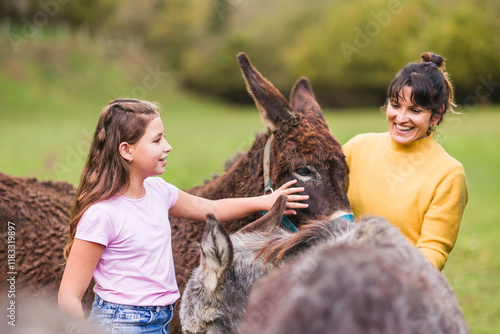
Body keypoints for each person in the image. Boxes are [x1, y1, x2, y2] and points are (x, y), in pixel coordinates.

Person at [58, 98, 308, 333]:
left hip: (162, 320)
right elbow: (69, 296)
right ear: (127, 150)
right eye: (157, 140)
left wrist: (264, 201)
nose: (167, 147)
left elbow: (210, 208)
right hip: (120, 323)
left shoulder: (158, 191)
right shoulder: (102, 215)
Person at [343, 52, 468, 271]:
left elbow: (433, 250)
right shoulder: (356, 148)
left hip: (400, 287)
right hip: (339, 277)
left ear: (436, 116)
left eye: (415, 110)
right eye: (395, 105)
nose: (401, 118)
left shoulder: (449, 174)